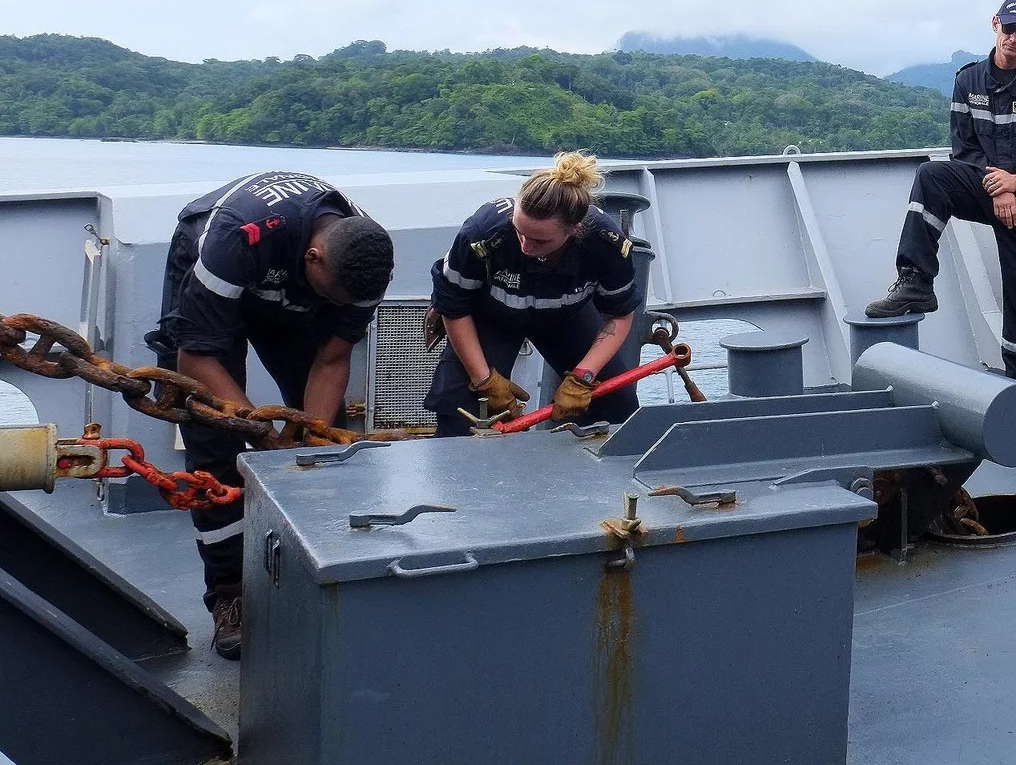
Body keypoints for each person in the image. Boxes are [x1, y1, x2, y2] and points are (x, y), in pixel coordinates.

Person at [147, 171, 395, 658]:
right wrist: (259, 433)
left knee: (323, 447)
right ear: (313, 257)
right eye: (331, 296)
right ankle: (229, 595)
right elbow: (196, 357)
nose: (335, 306)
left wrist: (305, 440)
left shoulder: (362, 266)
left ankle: (317, 571)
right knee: (211, 438)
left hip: (293, 299)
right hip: (220, 285)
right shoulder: (234, 239)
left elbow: (331, 358)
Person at [866, 0, 1016, 391]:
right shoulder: (968, 80)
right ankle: (915, 281)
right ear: (994, 24)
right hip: (991, 190)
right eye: (1008, 27)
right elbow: (964, 149)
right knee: (932, 177)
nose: (1014, 38)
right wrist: (998, 188)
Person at [426, 152, 644, 437]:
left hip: (566, 317)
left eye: (540, 241)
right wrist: (484, 381)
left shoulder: (604, 243)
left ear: (574, 230)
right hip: (489, 316)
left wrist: (583, 377)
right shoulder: (483, 231)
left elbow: (619, 315)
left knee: (617, 404)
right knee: (460, 411)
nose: (526, 247)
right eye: (520, 233)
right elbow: (453, 308)